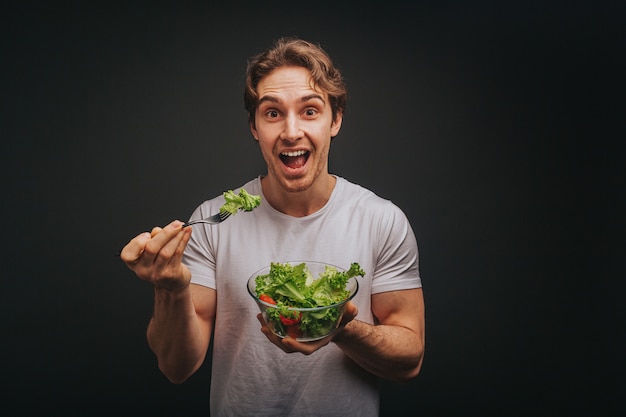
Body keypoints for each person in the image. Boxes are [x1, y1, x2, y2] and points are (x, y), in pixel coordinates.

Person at [120, 37, 425, 417]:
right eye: (272, 113)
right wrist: (170, 289)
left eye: (310, 111)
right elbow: (175, 367)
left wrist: (336, 327)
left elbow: (410, 360)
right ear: (254, 126)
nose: (291, 131)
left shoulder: (381, 220)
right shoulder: (215, 221)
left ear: (337, 119)